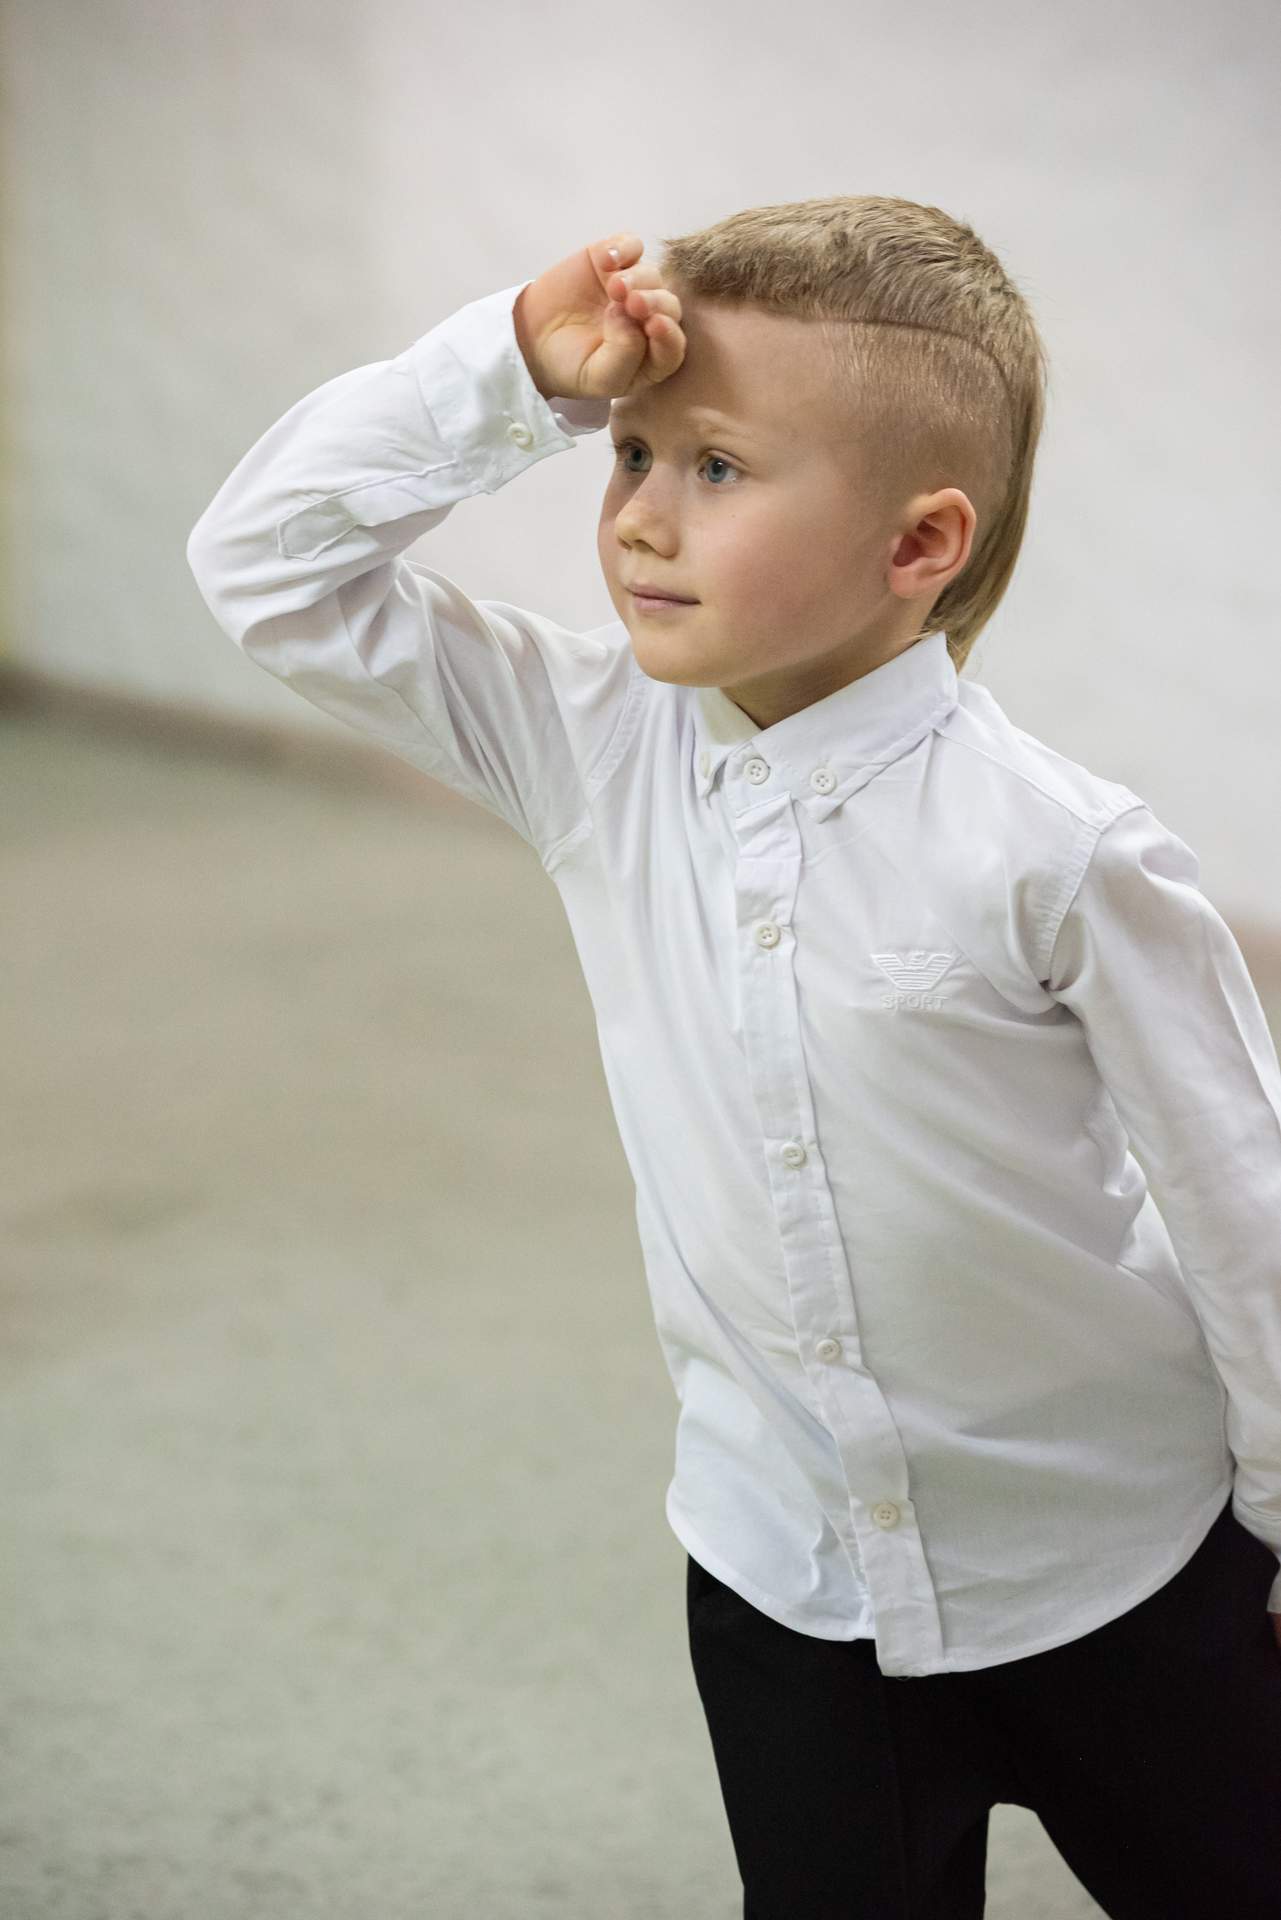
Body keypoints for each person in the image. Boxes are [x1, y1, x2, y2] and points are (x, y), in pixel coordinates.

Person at [186, 195, 1281, 1917]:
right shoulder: (587, 743)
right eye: (630, 454)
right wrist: (515, 373)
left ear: (919, 544)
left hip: (1116, 1571)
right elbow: (267, 564)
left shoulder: (1061, 850)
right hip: (787, 1582)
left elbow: (1239, 1201)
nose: (637, 516)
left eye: (715, 468)